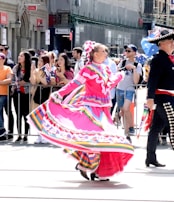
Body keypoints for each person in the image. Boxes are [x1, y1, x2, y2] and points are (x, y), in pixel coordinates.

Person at [27, 42, 133, 181]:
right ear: (95, 54)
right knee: (96, 137)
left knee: (105, 138)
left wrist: (120, 75)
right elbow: (75, 83)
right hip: (90, 108)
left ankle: (97, 169)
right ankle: (88, 165)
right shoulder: (87, 69)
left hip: (104, 109)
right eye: (104, 51)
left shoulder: (106, 69)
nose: (106, 54)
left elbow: (108, 84)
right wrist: (60, 94)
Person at [146, 29, 174, 167]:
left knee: (156, 127)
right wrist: (149, 98)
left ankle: (150, 157)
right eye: (170, 42)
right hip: (163, 98)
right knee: (173, 125)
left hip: (169, 97)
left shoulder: (170, 59)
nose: (173, 44)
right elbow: (152, 80)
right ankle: (150, 157)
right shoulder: (158, 59)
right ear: (161, 44)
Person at [116, 44, 142, 142]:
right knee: (123, 111)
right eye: (126, 51)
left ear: (134, 53)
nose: (126, 52)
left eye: (129, 51)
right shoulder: (122, 63)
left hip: (129, 89)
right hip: (120, 89)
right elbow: (116, 75)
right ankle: (127, 132)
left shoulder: (137, 65)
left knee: (126, 108)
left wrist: (133, 69)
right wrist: (123, 68)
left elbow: (136, 81)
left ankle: (128, 131)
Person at [12, 51, 31, 142]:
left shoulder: (30, 68)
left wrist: (25, 82)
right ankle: (19, 134)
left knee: (26, 115)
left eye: (21, 56)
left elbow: (32, 80)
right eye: (19, 55)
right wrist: (17, 84)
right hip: (17, 93)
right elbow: (13, 80)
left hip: (27, 94)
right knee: (18, 114)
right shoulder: (16, 68)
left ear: (26, 58)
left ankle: (26, 135)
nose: (19, 57)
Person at [0, 53, 13, 141]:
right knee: (0, 112)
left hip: (4, 93)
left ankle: (2, 129)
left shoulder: (7, 68)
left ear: (4, 59)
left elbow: (9, 79)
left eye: (1, 58)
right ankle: (2, 132)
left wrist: (0, 82)